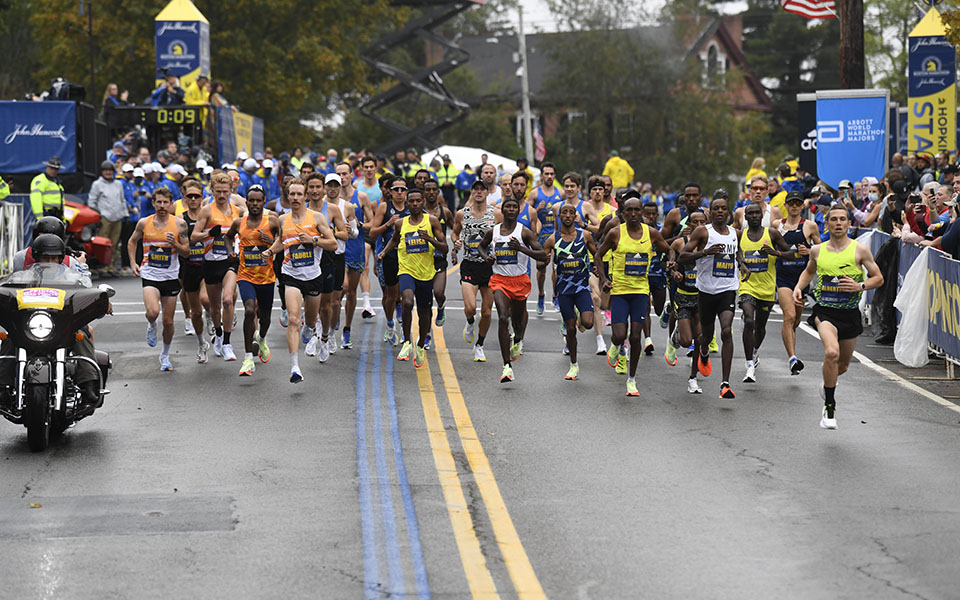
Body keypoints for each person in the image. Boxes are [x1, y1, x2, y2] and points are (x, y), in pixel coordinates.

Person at [793, 204, 883, 429]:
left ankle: (827, 386)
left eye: (843, 219)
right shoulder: (818, 250)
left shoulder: (859, 250)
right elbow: (809, 271)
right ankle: (829, 408)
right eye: (834, 219)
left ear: (849, 223)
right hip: (825, 312)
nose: (839, 223)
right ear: (828, 223)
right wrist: (798, 287)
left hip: (850, 314)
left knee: (842, 365)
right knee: (831, 352)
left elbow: (878, 278)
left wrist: (859, 285)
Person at [0, 235, 102, 413]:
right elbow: (9, 291)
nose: (49, 262)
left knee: (82, 335)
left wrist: (99, 301)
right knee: (10, 337)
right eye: (45, 258)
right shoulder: (23, 276)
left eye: (53, 258)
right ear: (37, 257)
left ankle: (88, 386)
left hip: (61, 323)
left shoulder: (73, 276)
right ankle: (2, 386)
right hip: (33, 323)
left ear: (60, 258)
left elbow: (88, 291)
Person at [595, 192, 673, 396]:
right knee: (619, 334)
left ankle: (632, 379)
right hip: (620, 291)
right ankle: (615, 345)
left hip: (640, 291)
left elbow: (668, 249)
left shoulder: (652, 233)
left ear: (642, 212)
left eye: (637, 210)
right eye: (628, 210)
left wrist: (670, 261)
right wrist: (603, 279)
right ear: (622, 212)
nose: (633, 213)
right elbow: (598, 255)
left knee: (636, 336)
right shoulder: (615, 232)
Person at [263, 178, 337, 382]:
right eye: (291, 194)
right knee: (293, 319)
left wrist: (313, 239)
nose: (295, 198)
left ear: (305, 196)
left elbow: (332, 244)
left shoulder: (317, 218)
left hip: (313, 276)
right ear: (287, 196)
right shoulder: (283, 220)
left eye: (298, 194)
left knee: (311, 320)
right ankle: (295, 367)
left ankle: (310, 328)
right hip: (291, 275)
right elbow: (281, 241)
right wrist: (270, 251)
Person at [679, 197, 749, 399]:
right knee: (705, 337)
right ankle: (696, 369)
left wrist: (742, 264)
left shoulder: (736, 233)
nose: (720, 211)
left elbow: (738, 253)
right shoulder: (703, 232)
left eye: (723, 209)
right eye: (716, 209)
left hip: (727, 289)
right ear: (710, 212)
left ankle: (725, 383)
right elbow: (683, 256)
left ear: (728, 212)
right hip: (706, 291)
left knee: (727, 331)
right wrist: (705, 252)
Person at [475, 196, 547, 383]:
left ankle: (518, 339)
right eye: (508, 206)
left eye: (515, 207)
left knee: (517, 324)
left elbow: (543, 255)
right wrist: (486, 258)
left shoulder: (525, 233)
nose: (512, 209)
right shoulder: (494, 231)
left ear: (518, 211)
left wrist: (522, 249)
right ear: (503, 210)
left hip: (520, 281)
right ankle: (507, 366)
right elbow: (481, 247)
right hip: (499, 280)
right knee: (503, 318)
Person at [378, 188, 447, 368]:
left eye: (418, 201)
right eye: (412, 201)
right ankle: (407, 341)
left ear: (423, 202)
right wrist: (384, 253)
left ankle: (421, 343)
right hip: (406, 269)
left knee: (425, 311)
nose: (415, 204)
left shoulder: (431, 221)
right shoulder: (400, 223)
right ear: (407, 204)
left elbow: (445, 248)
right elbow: (394, 240)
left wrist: (430, 239)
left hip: (425, 272)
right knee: (407, 302)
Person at [127, 187, 189, 371]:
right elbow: (132, 241)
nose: (162, 206)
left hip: (170, 276)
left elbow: (187, 251)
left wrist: (175, 244)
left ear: (171, 204)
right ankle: (151, 324)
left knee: (168, 321)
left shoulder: (179, 224)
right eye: (158, 202)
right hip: (150, 274)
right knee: (153, 312)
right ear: (153, 203)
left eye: (165, 202)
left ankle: (165, 355)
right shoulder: (144, 223)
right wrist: (133, 262)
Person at [190, 171, 247, 362]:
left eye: (225, 191)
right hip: (211, 262)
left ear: (231, 190)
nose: (222, 195)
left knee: (228, 300)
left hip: (230, 261)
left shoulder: (236, 211)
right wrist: (208, 235)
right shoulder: (207, 211)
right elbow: (193, 237)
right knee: (214, 308)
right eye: (218, 192)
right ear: (212, 191)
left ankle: (228, 344)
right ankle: (219, 334)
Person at [737, 202, 795, 383]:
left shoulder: (772, 234)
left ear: (762, 216)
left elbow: (791, 254)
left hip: (767, 288)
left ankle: (754, 352)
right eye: (750, 214)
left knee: (760, 327)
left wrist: (776, 253)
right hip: (747, 286)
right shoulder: (740, 234)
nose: (754, 216)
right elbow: (736, 252)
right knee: (748, 319)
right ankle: (748, 365)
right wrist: (741, 263)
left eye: (757, 213)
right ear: (746, 217)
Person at [225, 185, 278, 376]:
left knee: (265, 318)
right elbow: (228, 237)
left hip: (267, 277)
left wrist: (270, 242)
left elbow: (283, 242)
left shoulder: (272, 222)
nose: (255, 204)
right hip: (245, 275)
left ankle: (262, 339)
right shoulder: (239, 223)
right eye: (252, 201)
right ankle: (248, 358)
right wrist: (230, 251)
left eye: (258, 201)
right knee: (249, 309)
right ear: (247, 203)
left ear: (264, 202)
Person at [542, 203, 598, 381]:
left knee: (588, 323)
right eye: (564, 212)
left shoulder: (585, 235)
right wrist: (544, 260)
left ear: (575, 216)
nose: (567, 215)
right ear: (559, 216)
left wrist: (597, 268)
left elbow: (597, 254)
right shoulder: (552, 240)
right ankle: (574, 365)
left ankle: (580, 317)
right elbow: (542, 265)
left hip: (582, 287)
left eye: (571, 212)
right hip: (564, 290)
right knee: (571, 329)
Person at [451, 179, 502, 362]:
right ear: (472, 192)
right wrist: (456, 241)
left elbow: (503, 233)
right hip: (470, 264)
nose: (479, 192)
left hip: (489, 267)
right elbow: (455, 232)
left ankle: (479, 344)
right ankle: (470, 323)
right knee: (470, 307)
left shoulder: (496, 214)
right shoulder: (461, 214)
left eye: (482, 189)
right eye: (476, 189)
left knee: (487, 312)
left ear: (487, 193)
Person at [774, 191, 820, 374]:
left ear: (802, 206)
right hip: (783, 276)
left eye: (797, 203)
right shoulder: (777, 225)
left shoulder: (810, 226)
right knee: (790, 316)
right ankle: (792, 358)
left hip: (801, 279)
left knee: (796, 320)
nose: (794, 206)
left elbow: (822, 248)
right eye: (791, 203)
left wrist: (809, 251)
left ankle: (789, 338)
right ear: (785, 206)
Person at [666, 210, 708, 393]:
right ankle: (675, 337)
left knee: (699, 338)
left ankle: (693, 378)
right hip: (683, 296)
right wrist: (673, 271)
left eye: (702, 221)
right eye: (694, 222)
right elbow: (669, 258)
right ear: (689, 225)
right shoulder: (680, 242)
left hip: (702, 296)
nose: (698, 225)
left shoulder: (711, 243)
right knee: (685, 341)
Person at [338, 161, 375, 349]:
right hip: (338, 250)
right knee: (342, 287)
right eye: (339, 174)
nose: (342, 177)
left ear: (352, 175)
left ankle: (347, 329)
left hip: (357, 249)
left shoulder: (361, 197)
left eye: (345, 174)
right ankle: (333, 317)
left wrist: (359, 225)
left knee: (351, 292)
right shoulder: (331, 201)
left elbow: (373, 223)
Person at [370, 177, 411, 346]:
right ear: (391, 192)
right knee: (391, 295)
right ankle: (390, 323)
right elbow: (372, 232)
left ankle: (405, 330)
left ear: (406, 192)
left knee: (406, 296)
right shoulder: (384, 207)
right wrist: (389, 223)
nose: (400, 193)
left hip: (409, 256)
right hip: (389, 255)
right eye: (396, 189)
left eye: (403, 190)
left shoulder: (412, 207)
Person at [176, 179, 211, 363]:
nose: (193, 199)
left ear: (202, 198)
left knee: (206, 299)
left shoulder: (208, 217)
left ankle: (212, 316)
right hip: (188, 266)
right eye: (189, 196)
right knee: (195, 313)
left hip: (207, 264)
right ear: (185, 198)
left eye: (196, 196)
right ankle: (201, 343)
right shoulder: (181, 220)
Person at [423, 178, 454, 337]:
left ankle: (441, 307)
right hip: (421, 259)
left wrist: (456, 246)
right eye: (427, 190)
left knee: (438, 293)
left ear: (438, 192)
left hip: (439, 258)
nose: (430, 193)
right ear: (423, 192)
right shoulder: (417, 210)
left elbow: (454, 230)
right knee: (426, 299)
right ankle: (427, 334)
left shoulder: (445, 212)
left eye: (434, 189)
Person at [532, 162, 563, 314]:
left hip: (557, 235)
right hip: (542, 236)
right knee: (541, 269)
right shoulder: (535, 193)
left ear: (554, 175)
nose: (549, 176)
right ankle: (541, 294)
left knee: (556, 269)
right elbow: (527, 211)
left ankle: (555, 296)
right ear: (542, 175)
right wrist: (537, 209)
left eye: (552, 174)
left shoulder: (561, 193)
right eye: (546, 174)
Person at [89, 160, 128, 275]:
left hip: (118, 218)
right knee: (103, 244)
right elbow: (92, 202)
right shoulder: (97, 184)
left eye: (110, 170)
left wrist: (126, 214)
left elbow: (122, 200)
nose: (108, 173)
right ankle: (102, 266)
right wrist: (97, 216)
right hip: (104, 218)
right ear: (102, 172)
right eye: (105, 170)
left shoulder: (118, 184)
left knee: (114, 243)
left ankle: (111, 266)